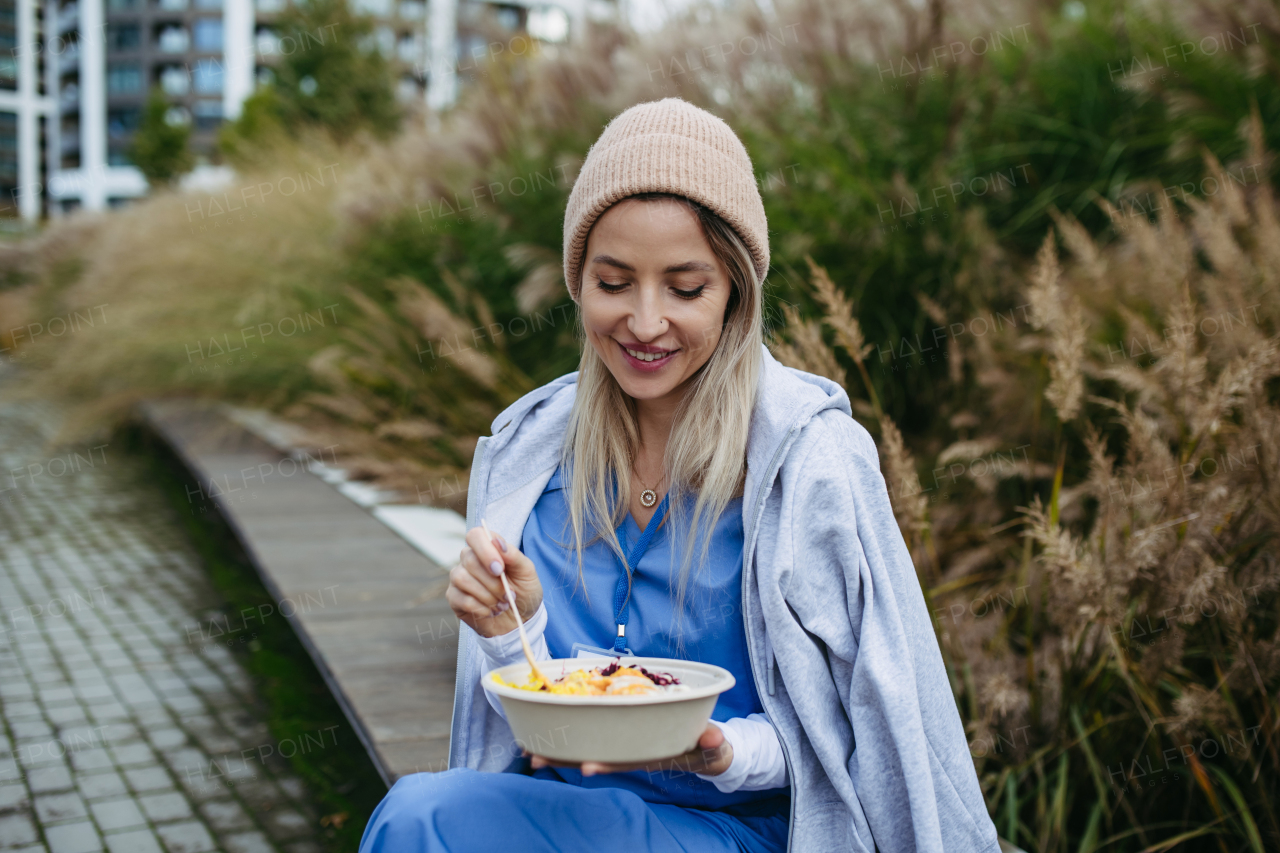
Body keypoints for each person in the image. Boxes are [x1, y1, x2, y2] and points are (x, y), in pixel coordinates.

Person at [359, 97, 1000, 853]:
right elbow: (548, 714)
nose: (645, 320)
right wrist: (513, 632)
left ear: (734, 292)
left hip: (737, 832)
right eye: (614, 281)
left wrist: (720, 751)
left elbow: (872, 717)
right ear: (578, 282)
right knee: (418, 815)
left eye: (686, 287)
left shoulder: (810, 461)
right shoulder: (530, 451)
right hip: (565, 816)